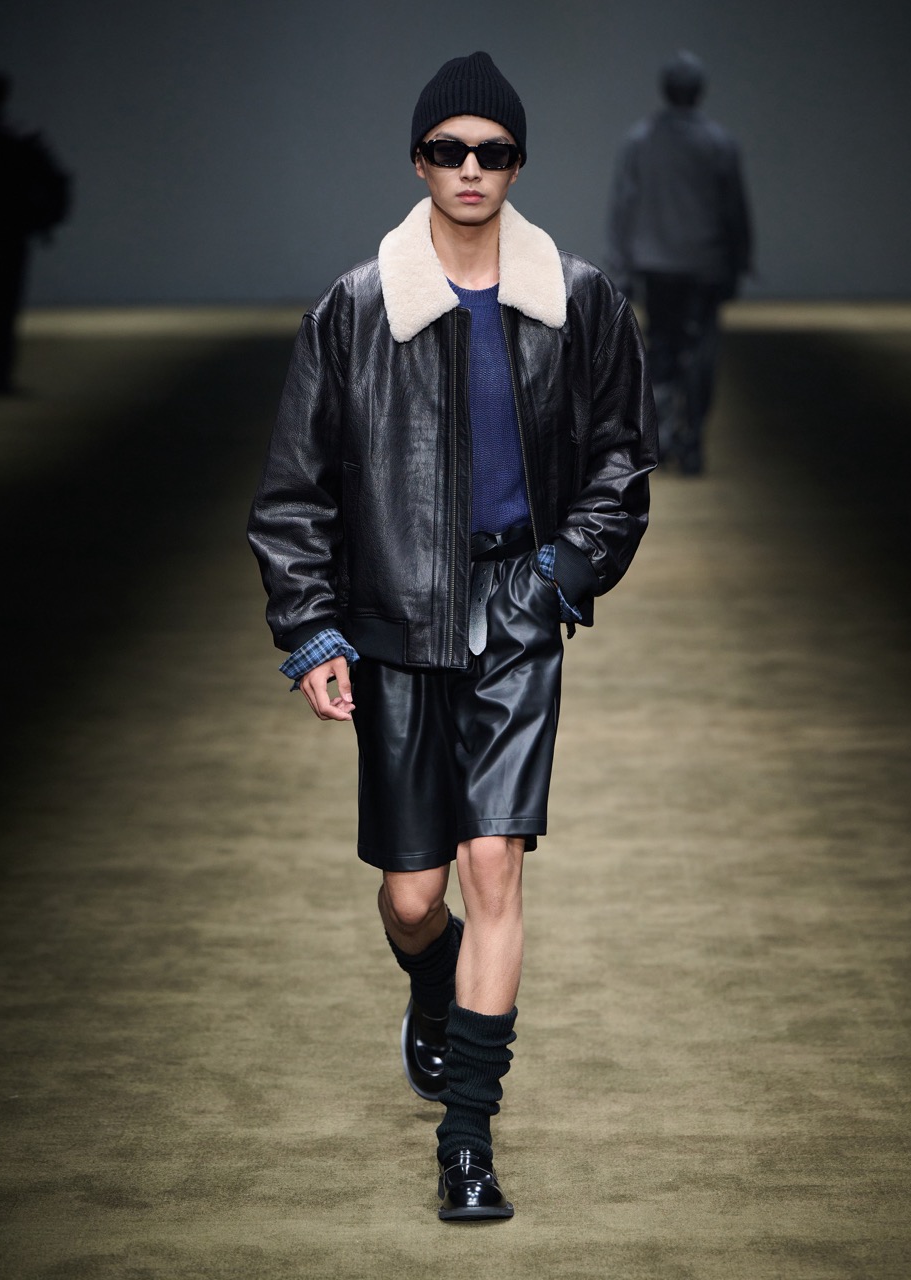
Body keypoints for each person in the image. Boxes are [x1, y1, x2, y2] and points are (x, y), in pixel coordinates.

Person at [249, 51, 657, 1221]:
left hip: (517, 612)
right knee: (414, 892)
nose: (470, 168)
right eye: (448, 149)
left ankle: (467, 1141)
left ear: (517, 164)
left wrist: (561, 574)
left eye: (491, 151)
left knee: (494, 868)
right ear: (419, 161)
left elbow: (621, 463)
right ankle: (432, 979)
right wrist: (312, 629)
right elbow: (295, 492)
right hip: (393, 618)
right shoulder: (354, 310)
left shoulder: (579, 300)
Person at [608, 51, 753, 474]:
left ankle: (666, 437)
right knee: (701, 354)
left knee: (663, 349)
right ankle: (692, 438)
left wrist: (622, 264)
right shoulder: (719, 143)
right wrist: (740, 260)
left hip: (657, 265)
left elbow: (624, 205)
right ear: (700, 91)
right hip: (706, 265)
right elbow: (734, 209)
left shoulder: (641, 140)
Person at [0, 71, 71, 394]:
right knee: (3, 307)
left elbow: (56, 182)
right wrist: (47, 221)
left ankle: (0, 377)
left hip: (10, 232)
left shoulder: (21, 140)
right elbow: (57, 182)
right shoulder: (21, 139)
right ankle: (0, 377)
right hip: (9, 233)